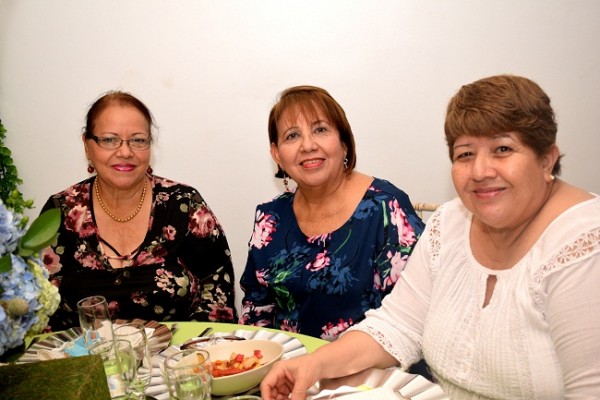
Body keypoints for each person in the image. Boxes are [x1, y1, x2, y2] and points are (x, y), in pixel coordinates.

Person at [260, 75, 600, 399]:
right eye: (465, 153)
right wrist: (312, 365)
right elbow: (398, 324)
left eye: (503, 149)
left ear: (547, 160)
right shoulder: (450, 222)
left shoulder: (583, 243)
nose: (481, 171)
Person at [239, 85, 425, 342]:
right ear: (277, 155)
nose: (307, 145)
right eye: (292, 136)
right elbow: (256, 309)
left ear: (344, 143)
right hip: (288, 370)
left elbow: (411, 316)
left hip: (370, 373)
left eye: (320, 130)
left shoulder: (386, 207)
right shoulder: (270, 217)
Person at [41, 91, 237, 330]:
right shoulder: (60, 212)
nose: (125, 152)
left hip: (177, 359)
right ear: (87, 145)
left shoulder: (184, 205)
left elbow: (218, 302)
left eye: (138, 140)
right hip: (82, 361)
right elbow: (41, 310)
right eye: (109, 139)